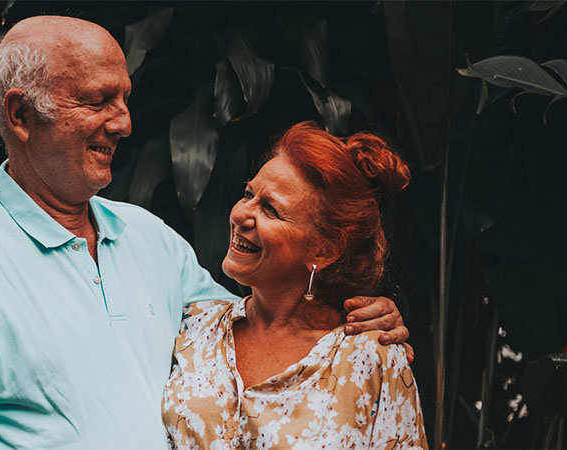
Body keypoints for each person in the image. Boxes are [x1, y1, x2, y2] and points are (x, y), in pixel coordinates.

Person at [0, 16, 412, 449]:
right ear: (22, 114)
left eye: (125, 99)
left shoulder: (149, 239)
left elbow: (254, 328)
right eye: (98, 101)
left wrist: (354, 314)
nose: (124, 123)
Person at [162, 122, 426, 449]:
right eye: (248, 194)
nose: (241, 214)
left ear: (324, 249)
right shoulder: (193, 326)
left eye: (270, 209)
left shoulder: (368, 357)